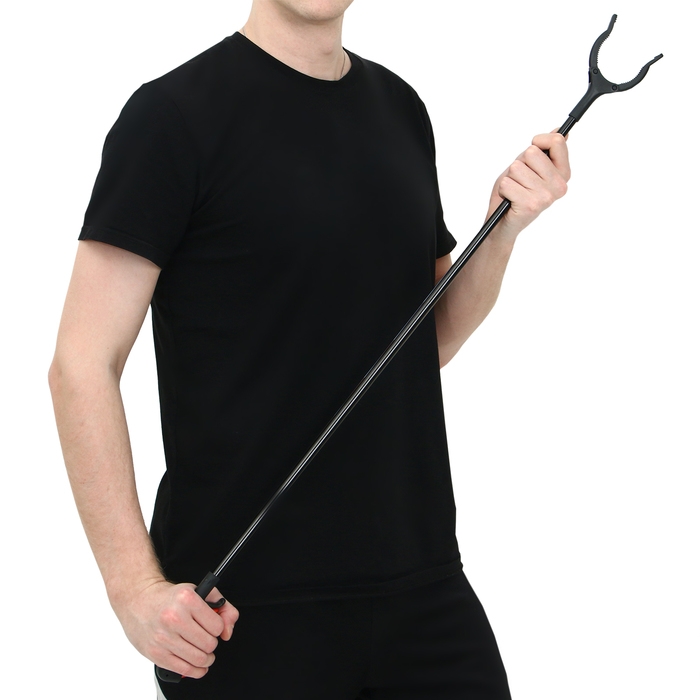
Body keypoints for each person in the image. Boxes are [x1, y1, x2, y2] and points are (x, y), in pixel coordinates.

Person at [48, 1, 570, 698]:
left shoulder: (400, 109)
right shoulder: (170, 117)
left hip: (422, 587)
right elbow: (82, 364)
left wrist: (503, 228)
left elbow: (427, 341)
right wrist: (133, 590)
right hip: (241, 612)